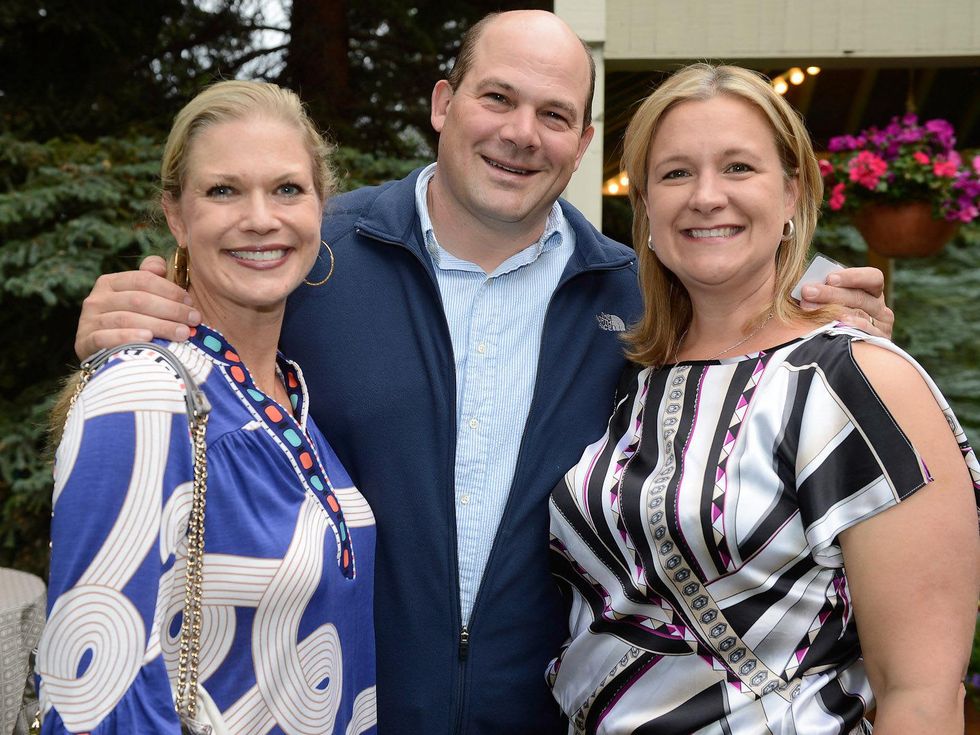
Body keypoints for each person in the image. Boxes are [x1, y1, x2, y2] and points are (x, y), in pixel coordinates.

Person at [70, 12, 894, 734]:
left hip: (546, 714)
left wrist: (843, 325)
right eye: (497, 98)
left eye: (555, 114)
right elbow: (194, 368)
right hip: (340, 708)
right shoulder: (313, 255)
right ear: (443, 103)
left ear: (581, 143)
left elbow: (756, 321)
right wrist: (127, 312)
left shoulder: (642, 298)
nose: (521, 132)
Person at [547, 63, 980, 734]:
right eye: (675, 173)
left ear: (791, 193)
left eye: (739, 167)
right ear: (647, 211)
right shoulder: (635, 381)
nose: (706, 196)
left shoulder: (857, 380)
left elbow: (922, 694)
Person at [38, 81, 377, 734]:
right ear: (175, 214)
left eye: (287, 189)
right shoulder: (145, 389)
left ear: (320, 206)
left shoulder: (292, 390)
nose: (260, 217)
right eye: (224, 190)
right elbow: (94, 698)